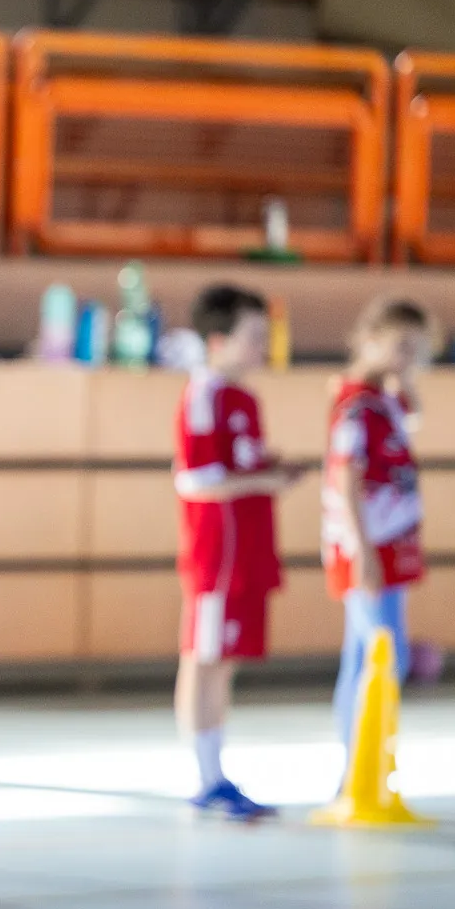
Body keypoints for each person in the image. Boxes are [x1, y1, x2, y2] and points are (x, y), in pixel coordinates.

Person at [173, 284, 305, 820]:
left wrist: (268, 472)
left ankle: (218, 771)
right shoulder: (204, 394)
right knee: (204, 660)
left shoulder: (247, 399)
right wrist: (264, 481)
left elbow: (238, 467)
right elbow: (196, 478)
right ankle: (205, 776)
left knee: (225, 663)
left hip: (250, 550)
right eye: (253, 336)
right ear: (218, 339)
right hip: (216, 556)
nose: (261, 347)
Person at [322, 297, 437, 762]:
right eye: (401, 347)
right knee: (387, 656)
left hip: (392, 543)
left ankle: (363, 763)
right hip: (369, 546)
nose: (408, 359)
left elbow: (413, 418)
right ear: (370, 341)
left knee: (363, 655)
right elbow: (345, 478)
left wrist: (403, 380)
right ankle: (362, 762)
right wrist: (361, 549)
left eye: (417, 349)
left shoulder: (384, 399)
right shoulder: (355, 407)